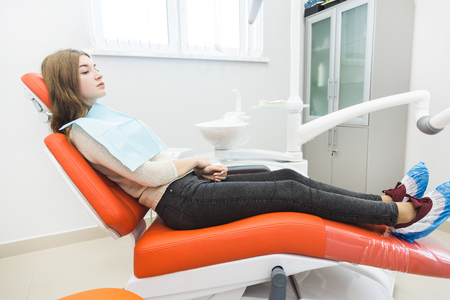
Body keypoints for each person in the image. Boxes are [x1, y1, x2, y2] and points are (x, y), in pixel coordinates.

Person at [41, 49, 450, 242]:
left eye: (96, 65)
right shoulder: (83, 131)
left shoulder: (100, 119)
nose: (98, 73)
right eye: (85, 69)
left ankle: (377, 201)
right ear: (64, 81)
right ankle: (400, 214)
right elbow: (148, 174)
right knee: (290, 192)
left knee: (286, 174)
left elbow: (153, 164)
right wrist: (196, 161)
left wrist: (194, 167)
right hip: (181, 203)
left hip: (184, 190)